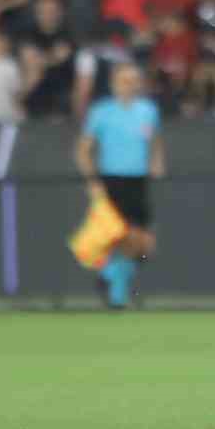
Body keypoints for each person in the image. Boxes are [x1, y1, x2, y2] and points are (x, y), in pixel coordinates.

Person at [73, 63, 166, 308]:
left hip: (139, 180)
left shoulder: (148, 110)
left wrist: (157, 162)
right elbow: (84, 149)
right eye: (125, 80)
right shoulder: (101, 112)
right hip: (112, 179)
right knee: (123, 237)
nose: (130, 85)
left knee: (145, 245)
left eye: (134, 80)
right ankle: (117, 294)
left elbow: (155, 140)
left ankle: (109, 275)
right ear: (114, 84)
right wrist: (92, 180)